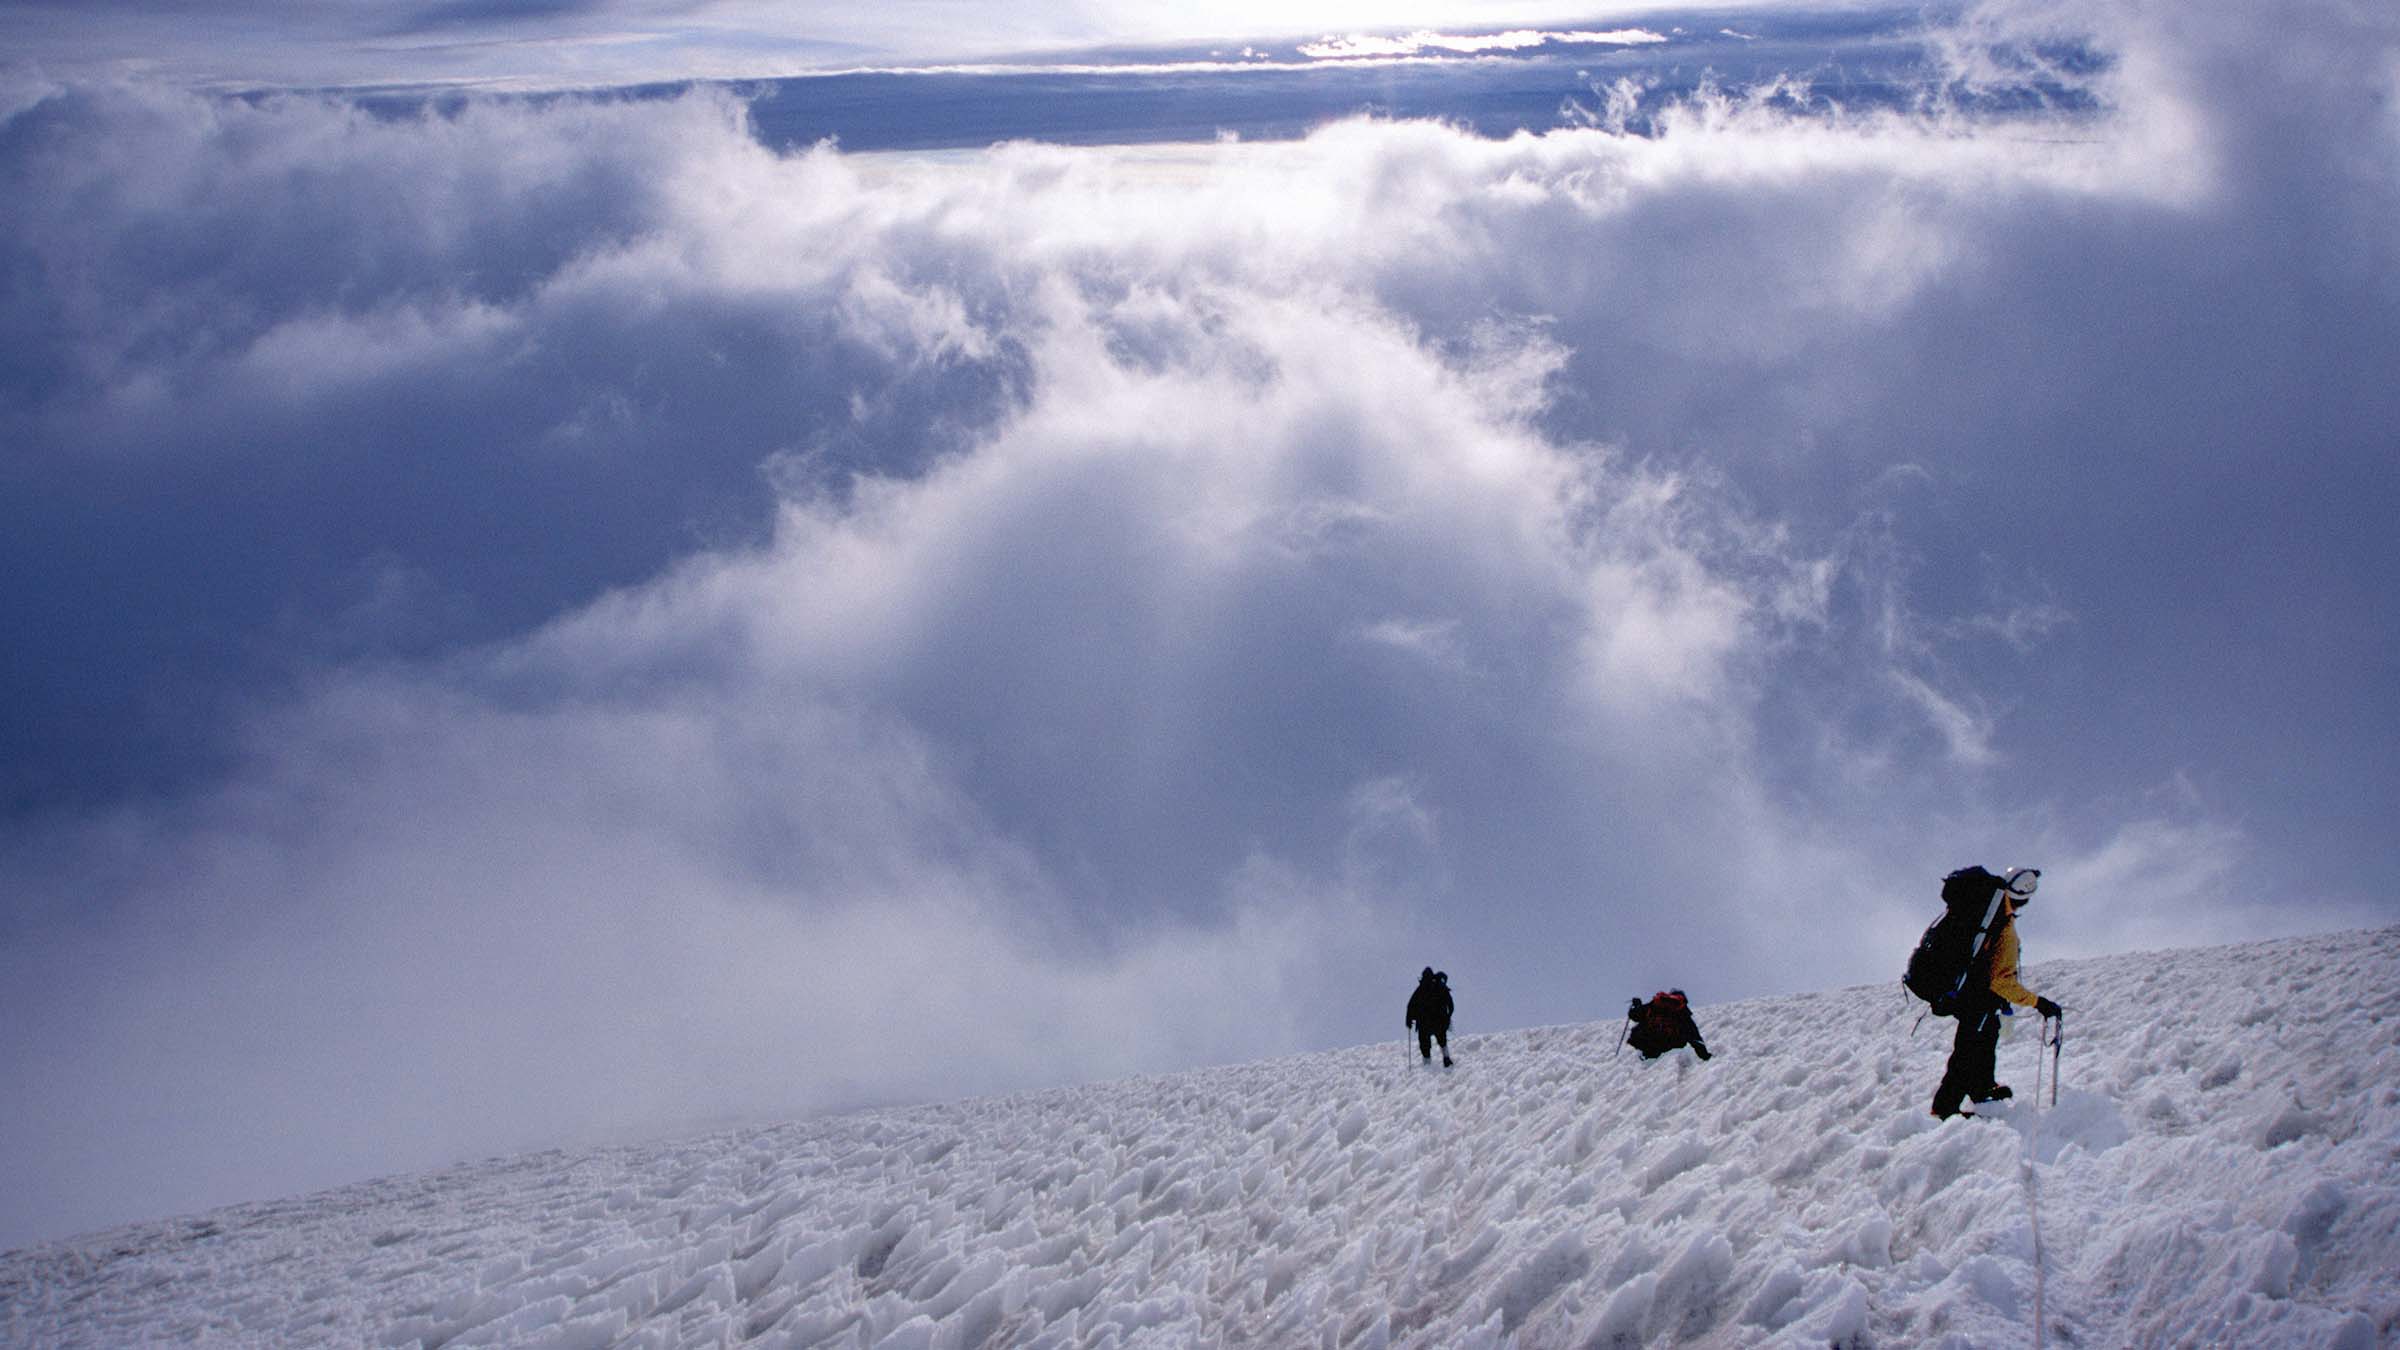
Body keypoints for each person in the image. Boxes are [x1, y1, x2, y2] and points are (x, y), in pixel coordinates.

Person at [1932, 867, 2063, 1119]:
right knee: (1968, 1050)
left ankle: (1982, 1087)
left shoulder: (1989, 913)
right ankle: (1945, 1109)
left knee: (1984, 1039)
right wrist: (2038, 1003)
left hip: (1971, 995)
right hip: (1978, 997)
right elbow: (2000, 981)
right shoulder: (2002, 923)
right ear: (2024, 897)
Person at [1626, 989, 1711, 1060]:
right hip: (1670, 1042)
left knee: (1639, 1031)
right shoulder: (1682, 1013)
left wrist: (1637, 1005)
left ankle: (1643, 1055)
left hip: (1648, 1038)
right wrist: (1705, 1056)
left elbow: (1634, 1015)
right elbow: (1695, 1037)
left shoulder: (1656, 1005)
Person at [1405, 967, 1454, 1067]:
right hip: (1439, 1021)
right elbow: (1451, 1004)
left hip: (1424, 1023)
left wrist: (1408, 1020)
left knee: (1424, 1044)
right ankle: (1446, 1058)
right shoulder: (1439, 986)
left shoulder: (1420, 989)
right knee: (1442, 1040)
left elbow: (1410, 1005)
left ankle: (1427, 1063)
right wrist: (1448, 1017)